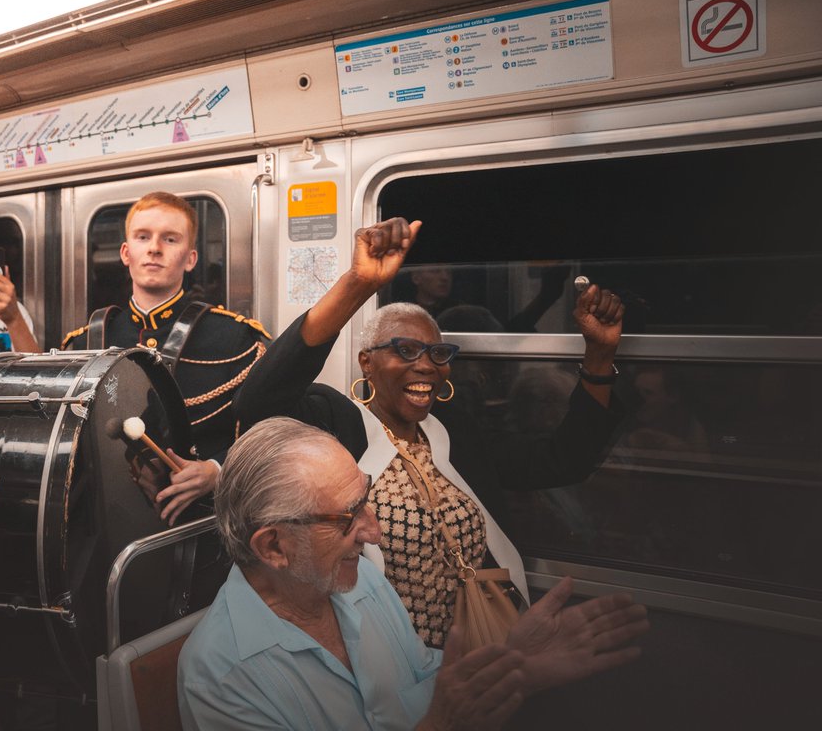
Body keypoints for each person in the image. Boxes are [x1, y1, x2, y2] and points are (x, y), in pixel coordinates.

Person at [235, 218, 625, 646]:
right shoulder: (337, 424)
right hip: (385, 656)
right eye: (405, 350)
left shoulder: (454, 432)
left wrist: (600, 357)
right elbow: (260, 402)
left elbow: (563, 460)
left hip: (481, 645)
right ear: (367, 363)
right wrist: (358, 284)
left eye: (437, 353)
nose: (425, 365)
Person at [178, 417, 648, 731]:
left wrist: (512, 661)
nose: (375, 533)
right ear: (273, 547)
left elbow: (421, 676)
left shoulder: (359, 581)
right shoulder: (224, 676)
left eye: (368, 499)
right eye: (348, 517)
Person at [62, 192, 270, 524]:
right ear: (126, 253)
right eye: (143, 237)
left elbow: (276, 426)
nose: (155, 248)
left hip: (204, 525)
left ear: (190, 259)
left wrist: (219, 470)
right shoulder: (84, 343)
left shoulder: (235, 338)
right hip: (106, 523)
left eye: (170, 239)